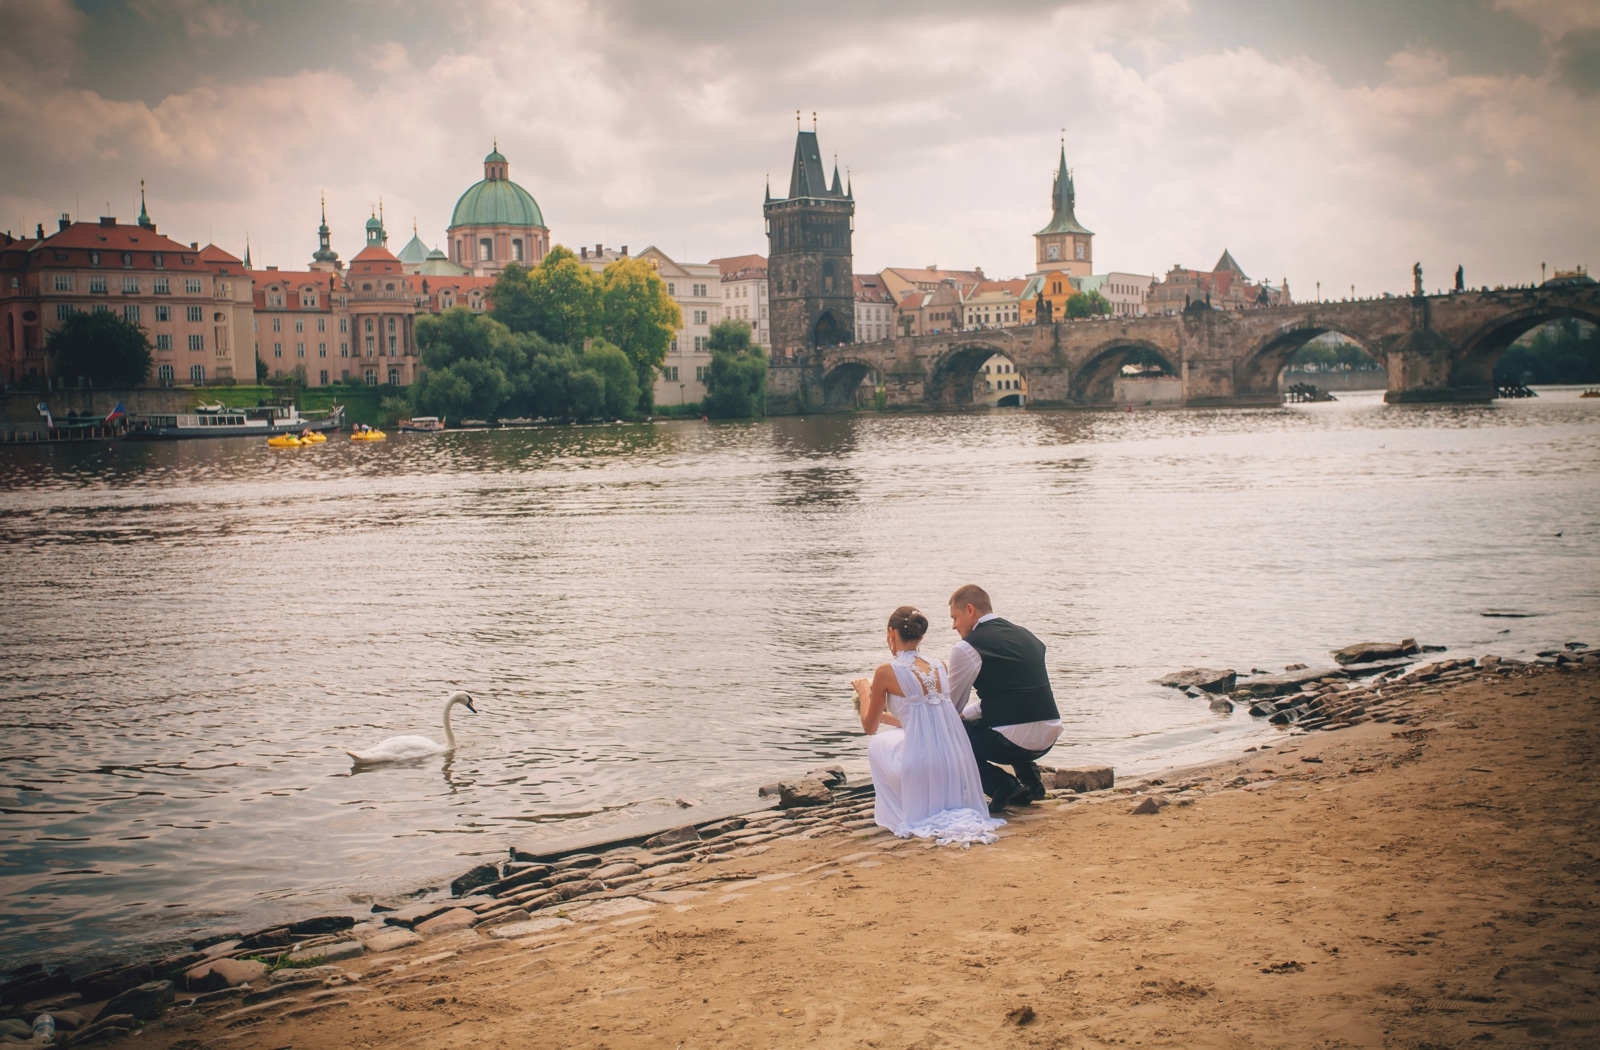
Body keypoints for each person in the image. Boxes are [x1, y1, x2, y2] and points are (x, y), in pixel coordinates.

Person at [851, 606, 1003, 846]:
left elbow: (869, 727)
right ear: (921, 636)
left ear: (892, 633)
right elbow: (920, 719)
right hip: (953, 763)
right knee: (898, 734)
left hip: (919, 767)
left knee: (878, 742)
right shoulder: (940, 666)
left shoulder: (885, 671)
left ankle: (902, 809)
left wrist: (864, 692)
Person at [947, 584, 1062, 813]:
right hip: (1049, 734)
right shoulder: (1027, 635)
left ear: (970, 610)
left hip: (1013, 742)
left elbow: (950, 707)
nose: (954, 626)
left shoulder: (967, 648)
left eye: (955, 618)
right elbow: (1010, 695)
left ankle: (1002, 784)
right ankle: (1032, 783)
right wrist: (967, 714)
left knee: (950, 734)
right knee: (994, 719)